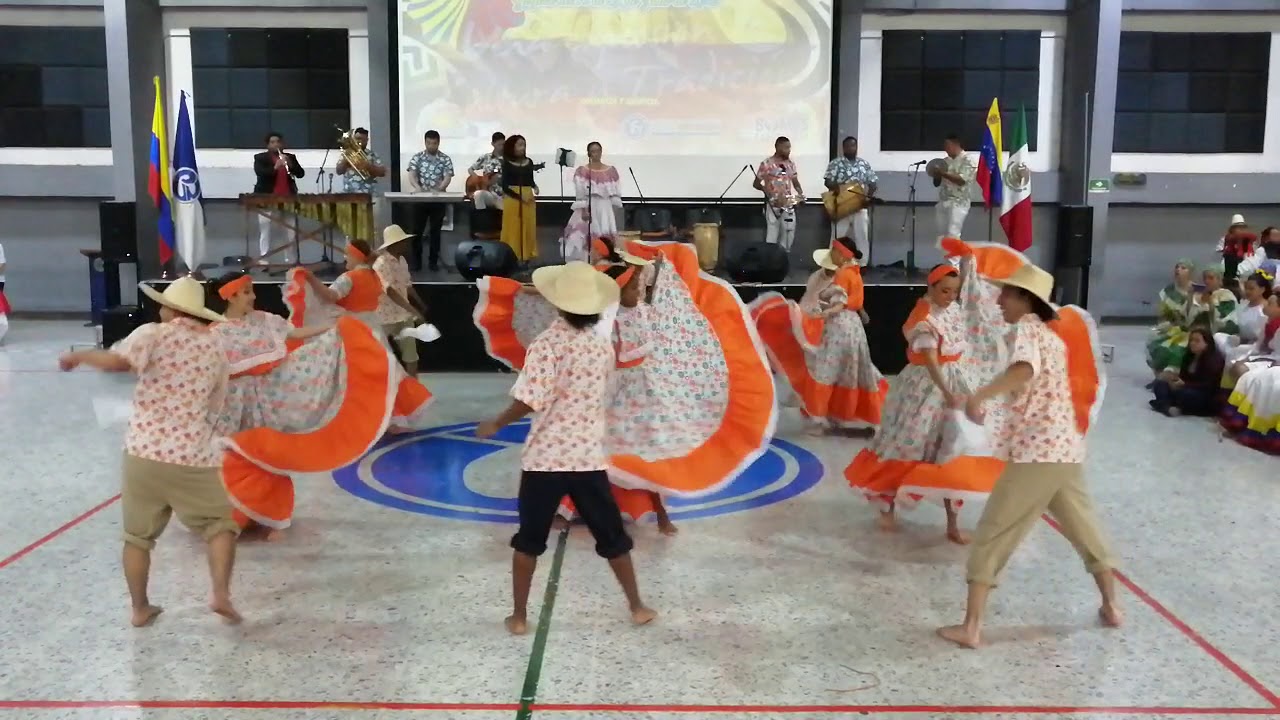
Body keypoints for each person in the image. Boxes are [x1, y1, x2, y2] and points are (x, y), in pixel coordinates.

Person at [474, 239, 776, 534]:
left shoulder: (644, 309)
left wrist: (644, 266)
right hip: (614, 395)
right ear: (616, 291)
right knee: (591, 453)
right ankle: (567, 508)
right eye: (632, 287)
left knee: (649, 450)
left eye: (639, 286)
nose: (638, 291)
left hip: (642, 394)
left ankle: (659, 512)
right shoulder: (605, 319)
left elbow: (655, 289)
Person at [938, 262, 1120, 649]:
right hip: (1064, 447)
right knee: (1083, 526)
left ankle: (971, 627)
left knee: (994, 531)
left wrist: (979, 396)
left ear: (1025, 298)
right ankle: (1112, 606)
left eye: (1006, 293)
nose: (1000, 300)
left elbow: (1023, 370)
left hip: (1038, 452)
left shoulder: (1025, 329)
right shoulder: (1051, 337)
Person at [475, 261, 656, 635]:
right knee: (612, 538)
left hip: (546, 459)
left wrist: (497, 422)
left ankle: (519, 616)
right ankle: (637, 606)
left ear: (557, 303)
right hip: (587, 458)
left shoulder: (546, 345)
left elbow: (531, 398)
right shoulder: (601, 347)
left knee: (529, 540)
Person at [58, 277, 242, 627]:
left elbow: (118, 362)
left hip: (143, 452)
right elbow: (216, 405)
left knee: (137, 538)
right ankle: (220, 594)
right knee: (220, 526)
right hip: (192, 454)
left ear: (172, 309)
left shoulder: (153, 334)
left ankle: (140, 608)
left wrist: (79, 355)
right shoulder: (215, 348)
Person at [208, 272, 396, 539]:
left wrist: (334, 329)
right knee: (233, 459)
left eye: (251, 290)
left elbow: (293, 332)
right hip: (233, 406)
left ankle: (270, 517)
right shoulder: (216, 333)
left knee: (269, 458)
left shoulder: (263, 320)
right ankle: (236, 515)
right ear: (230, 296)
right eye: (247, 292)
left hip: (267, 400)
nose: (253, 296)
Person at [845, 261, 1004, 544]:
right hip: (925, 388)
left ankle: (952, 523)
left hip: (953, 379)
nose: (950, 297)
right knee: (908, 443)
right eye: (945, 291)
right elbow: (930, 360)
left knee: (953, 447)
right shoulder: (925, 318)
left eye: (954, 291)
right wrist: (947, 391)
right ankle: (887, 505)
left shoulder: (951, 310)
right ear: (931, 287)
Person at [291, 239, 435, 431]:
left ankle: (356, 419)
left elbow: (331, 296)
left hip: (353, 332)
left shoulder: (349, 278)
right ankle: (388, 418)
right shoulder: (373, 276)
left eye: (347, 253)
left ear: (356, 255)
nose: (344, 257)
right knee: (381, 376)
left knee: (348, 378)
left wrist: (311, 278)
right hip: (373, 331)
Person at [749, 236, 887, 435]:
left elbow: (839, 302)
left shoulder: (842, 275)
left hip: (838, 325)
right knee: (850, 369)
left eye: (835, 252)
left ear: (841, 255)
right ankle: (842, 415)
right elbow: (849, 299)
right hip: (850, 326)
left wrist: (825, 313)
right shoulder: (852, 272)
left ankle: (821, 417)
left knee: (826, 371)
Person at [373, 225, 428, 375]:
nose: (406, 244)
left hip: (403, 315)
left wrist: (420, 303)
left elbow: (407, 284)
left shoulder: (402, 260)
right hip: (385, 316)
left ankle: (412, 385)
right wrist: (413, 310)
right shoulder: (381, 263)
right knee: (380, 356)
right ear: (395, 244)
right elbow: (390, 291)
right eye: (403, 241)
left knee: (411, 356)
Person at [560, 141, 623, 262]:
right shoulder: (583, 171)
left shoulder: (611, 171)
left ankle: (605, 260)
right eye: (593, 151)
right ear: (589, 153)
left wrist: (613, 211)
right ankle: (589, 261)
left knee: (605, 234)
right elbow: (580, 193)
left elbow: (615, 193)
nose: (596, 153)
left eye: (598, 150)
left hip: (605, 206)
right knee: (588, 235)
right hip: (590, 204)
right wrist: (584, 210)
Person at [252, 131, 305, 264]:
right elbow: (260, 173)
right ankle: (264, 259)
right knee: (266, 230)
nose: (276, 144)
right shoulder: (260, 158)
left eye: (278, 142)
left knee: (290, 231)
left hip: (288, 198)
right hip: (267, 198)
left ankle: (291, 259)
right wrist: (275, 167)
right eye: (272, 142)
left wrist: (291, 165)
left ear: (282, 143)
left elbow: (300, 174)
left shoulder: (290, 157)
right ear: (268, 145)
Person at [405, 130, 454, 272]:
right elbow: (412, 174)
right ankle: (416, 262)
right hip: (420, 200)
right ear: (425, 142)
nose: (431, 146)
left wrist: (440, 188)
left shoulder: (445, 159)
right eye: (429, 143)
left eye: (434, 143)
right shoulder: (418, 157)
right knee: (417, 231)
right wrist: (417, 187)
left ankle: (433, 262)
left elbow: (447, 177)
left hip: (437, 200)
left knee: (435, 232)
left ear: (438, 143)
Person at [822, 136, 877, 259]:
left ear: (856, 147)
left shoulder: (863, 164)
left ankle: (862, 263)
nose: (851, 148)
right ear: (843, 148)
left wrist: (868, 198)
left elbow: (873, 183)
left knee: (862, 236)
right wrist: (841, 189)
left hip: (859, 205)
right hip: (842, 204)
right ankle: (833, 263)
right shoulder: (836, 163)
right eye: (847, 146)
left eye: (853, 146)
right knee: (837, 236)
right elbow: (827, 182)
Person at [1149, 327, 1223, 417]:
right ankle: (1167, 407)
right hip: (1186, 389)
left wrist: (1185, 384)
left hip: (1203, 395)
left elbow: (1208, 385)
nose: (1192, 343)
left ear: (1207, 344)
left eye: (1197, 341)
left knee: (1183, 394)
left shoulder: (1214, 360)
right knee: (1160, 383)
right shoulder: (1188, 357)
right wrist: (1174, 380)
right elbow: (1183, 377)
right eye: (1191, 340)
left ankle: (1162, 404)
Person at [1146, 259, 1197, 375]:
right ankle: (1159, 374)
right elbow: (1162, 315)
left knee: (1176, 347)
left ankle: (1173, 374)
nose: (1178, 270)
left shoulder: (1196, 290)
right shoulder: (1168, 291)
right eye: (1177, 267)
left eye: (1183, 268)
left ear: (1190, 272)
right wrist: (1165, 324)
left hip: (1191, 329)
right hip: (1172, 327)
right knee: (1154, 337)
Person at [755, 136, 804, 252]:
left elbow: (795, 182)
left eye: (789, 148)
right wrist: (766, 191)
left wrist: (800, 194)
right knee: (772, 237)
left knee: (788, 236)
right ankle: (770, 259)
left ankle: (783, 257)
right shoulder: (766, 164)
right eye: (786, 148)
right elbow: (756, 184)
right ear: (778, 147)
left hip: (787, 204)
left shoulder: (790, 164)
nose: (789, 150)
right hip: (773, 205)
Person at [1216, 271, 1271, 364]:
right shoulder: (1244, 304)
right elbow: (1230, 319)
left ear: (1262, 290)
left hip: (1255, 346)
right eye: (1246, 288)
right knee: (1218, 337)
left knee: (1238, 351)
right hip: (1240, 340)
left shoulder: (1265, 308)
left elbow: (1264, 337)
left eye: (1251, 289)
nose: (1248, 291)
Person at [500, 134, 540, 262]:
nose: (522, 148)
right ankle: (512, 257)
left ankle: (526, 257)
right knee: (513, 228)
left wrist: (535, 187)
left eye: (524, 145)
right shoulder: (506, 163)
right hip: (513, 199)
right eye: (519, 145)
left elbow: (530, 180)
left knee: (528, 227)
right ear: (512, 147)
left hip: (528, 198)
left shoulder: (529, 162)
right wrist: (519, 196)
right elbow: (504, 186)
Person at [929, 134, 976, 240]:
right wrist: (935, 174)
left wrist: (943, 173)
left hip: (959, 202)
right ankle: (945, 248)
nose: (945, 149)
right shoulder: (945, 161)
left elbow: (961, 181)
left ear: (956, 145)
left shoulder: (968, 160)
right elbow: (936, 183)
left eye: (948, 146)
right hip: (943, 201)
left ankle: (954, 251)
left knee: (953, 233)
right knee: (942, 234)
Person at [336, 127, 388, 205]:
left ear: (367, 140)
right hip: (349, 194)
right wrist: (345, 160)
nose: (359, 142)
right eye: (357, 139)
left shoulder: (372, 155)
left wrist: (367, 166)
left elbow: (382, 172)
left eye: (362, 139)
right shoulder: (347, 154)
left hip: (368, 195)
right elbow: (339, 171)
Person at [1217, 214, 1262, 284]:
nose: (1241, 229)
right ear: (1232, 229)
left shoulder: (1250, 241)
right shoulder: (1225, 240)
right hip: (1229, 274)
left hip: (1247, 275)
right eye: (1238, 227)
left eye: (1243, 227)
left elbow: (1253, 260)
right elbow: (1221, 257)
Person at [467, 131, 506, 211]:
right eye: (499, 145)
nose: (501, 147)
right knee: (478, 194)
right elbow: (470, 169)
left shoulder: (509, 159)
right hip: (489, 193)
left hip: (503, 195)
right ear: (493, 144)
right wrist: (476, 178)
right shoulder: (486, 157)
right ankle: (481, 217)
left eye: (503, 144)